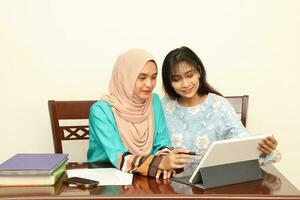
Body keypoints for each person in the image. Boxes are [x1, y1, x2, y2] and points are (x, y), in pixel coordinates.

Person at [161, 46, 281, 165]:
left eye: (189, 75)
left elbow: (240, 138)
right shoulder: (163, 107)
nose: (185, 84)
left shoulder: (218, 105)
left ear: (199, 72)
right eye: (176, 79)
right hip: (170, 180)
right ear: (169, 82)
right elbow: (154, 149)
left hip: (214, 178)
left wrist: (264, 149)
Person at [87, 48, 192, 179]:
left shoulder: (153, 101)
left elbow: (162, 143)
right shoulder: (100, 111)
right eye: (141, 77)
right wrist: (160, 163)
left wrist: (166, 162)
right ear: (125, 77)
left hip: (146, 178)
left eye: (153, 77)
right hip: (107, 180)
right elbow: (119, 157)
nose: (149, 84)